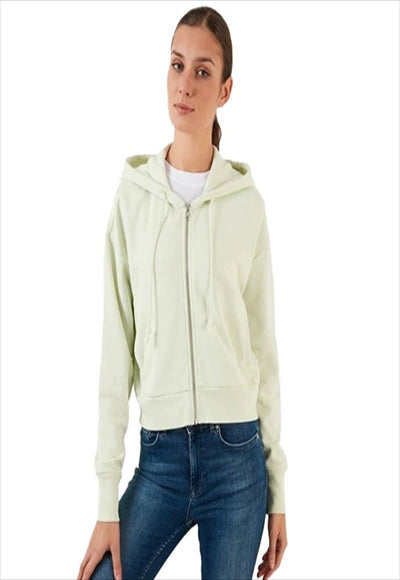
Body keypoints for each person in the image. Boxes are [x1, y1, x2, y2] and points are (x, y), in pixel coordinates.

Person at [77, 6, 288, 580]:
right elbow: (115, 354)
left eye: (202, 71)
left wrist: (278, 490)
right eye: (177, 65)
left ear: (225, 90)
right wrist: (105, 502)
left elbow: (264, 352)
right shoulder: (133, 199)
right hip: (161, 461)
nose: (185, 84)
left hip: (238, 462)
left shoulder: (247, 205)